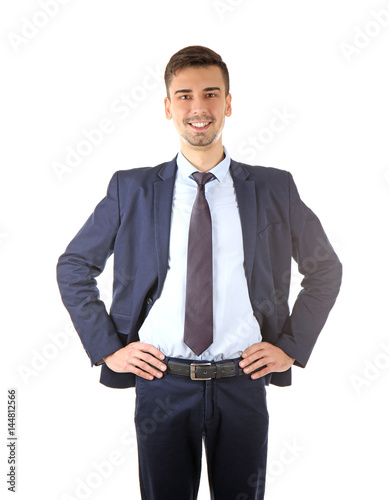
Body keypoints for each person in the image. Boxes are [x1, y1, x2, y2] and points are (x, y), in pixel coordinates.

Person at [57, 45, 342, 500]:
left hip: (243, 382)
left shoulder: (273, 187)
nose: (198, 107)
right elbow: (74, 265)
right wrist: (108, 348)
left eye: (211, 94)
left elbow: (325, 268)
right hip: (161, 384)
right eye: (184, 95)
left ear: (228, 103)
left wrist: (290, 347)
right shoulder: (130, 188)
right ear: (168, 107)